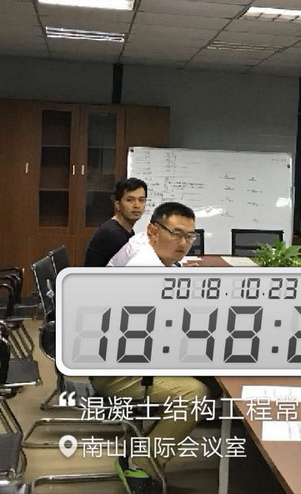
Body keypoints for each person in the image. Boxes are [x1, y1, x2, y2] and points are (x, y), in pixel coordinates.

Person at [91, 201, 209, 494]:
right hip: (117, 370)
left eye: (190, 236)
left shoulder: (157, 258)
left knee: (213, 378)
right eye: (177, 234)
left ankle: (145, 446)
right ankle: (139, 465)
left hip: (132, 356)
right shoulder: (144, 269)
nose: (184, 243)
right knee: (195, 394)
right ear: (153, 231)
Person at [83, 178, 147, 267]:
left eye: (141, 200)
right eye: (130, 200)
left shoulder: (126, 230)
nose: (137, 205)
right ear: (117, 204)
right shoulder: (113, 233)